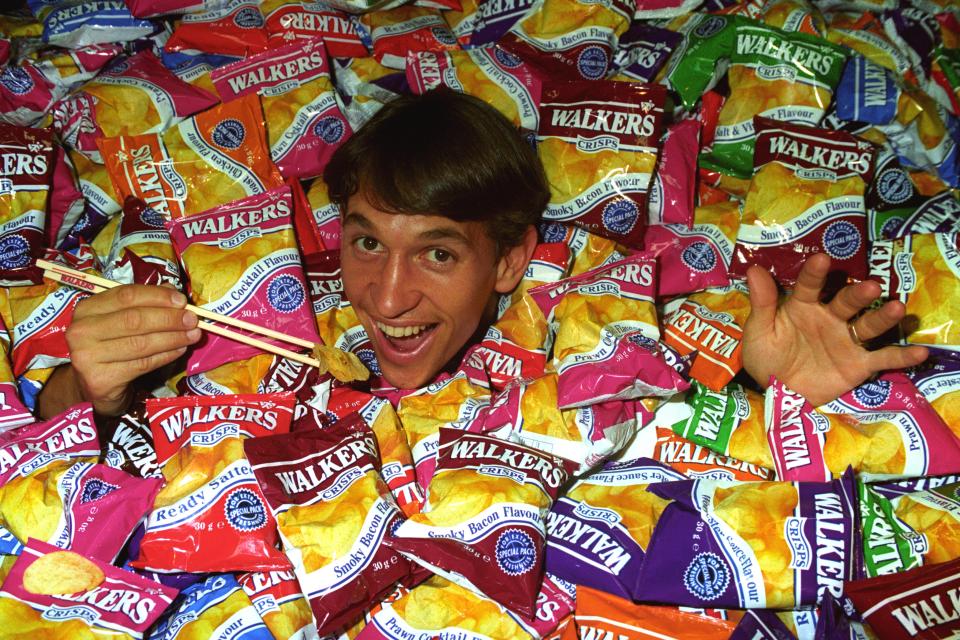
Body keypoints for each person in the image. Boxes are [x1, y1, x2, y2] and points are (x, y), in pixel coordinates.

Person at [36, 89, 929, 419]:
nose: (383, 299)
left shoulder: (592, 327)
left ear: (508, 263)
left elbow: (676, 439)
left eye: (436, 255)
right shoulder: (257, 307)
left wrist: (760, 388)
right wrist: (89, 386)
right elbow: (75, 417)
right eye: (365, 242)